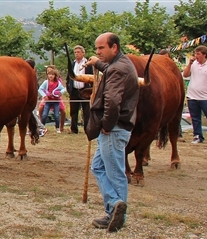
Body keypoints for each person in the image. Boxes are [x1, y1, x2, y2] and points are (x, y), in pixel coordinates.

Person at [85, 32, 140, 232]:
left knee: (115, 172)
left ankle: (115, 212)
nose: (97, 52)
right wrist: (97, 63)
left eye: (101, 48)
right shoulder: (123, 64)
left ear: (114, 47)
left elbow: (113, 102)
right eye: (96, 48)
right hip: (118, 128)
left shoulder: (118, 69)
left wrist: (107, 125)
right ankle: (114, 206)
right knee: (98, 167)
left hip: (113, 129)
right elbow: (110, 69)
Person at [67, 45, 94, 134]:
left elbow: (92, 77)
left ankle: (87, 129)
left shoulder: (88, 64)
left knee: (86, 111)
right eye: (75, 52)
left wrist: (90, 89)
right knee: (73, 111)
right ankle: (74, 129)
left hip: (84, 90)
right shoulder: (72, 64)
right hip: (74, 91)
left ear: (83, 53)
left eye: (78, 52)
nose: (76, 54)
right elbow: (69, 77)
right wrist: (69, 88)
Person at [39, 68, 66, 133]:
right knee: (45, 114)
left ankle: (57, 127)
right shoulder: (46, 82)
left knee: (56, 115)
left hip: (56, 101)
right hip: (48, 101)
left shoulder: (58, 83)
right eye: (49, 74)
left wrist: (60, 93)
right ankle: (42, 127)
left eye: (52, 74)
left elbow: (63, 89)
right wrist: (44, 95)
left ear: (55, 76)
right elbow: (40, 89)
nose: (51, 76)